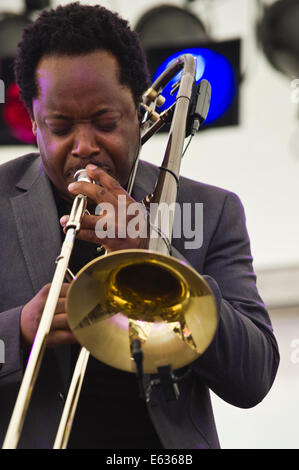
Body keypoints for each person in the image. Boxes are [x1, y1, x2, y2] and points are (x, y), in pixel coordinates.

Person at [0, 2, 279, 449]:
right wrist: (18, 330)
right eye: (59, 126)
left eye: (106, 122)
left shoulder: (211, 209)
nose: (84, 146)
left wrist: (158, 252)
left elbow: (255, 374)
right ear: (33, 123)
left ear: (141, 112)